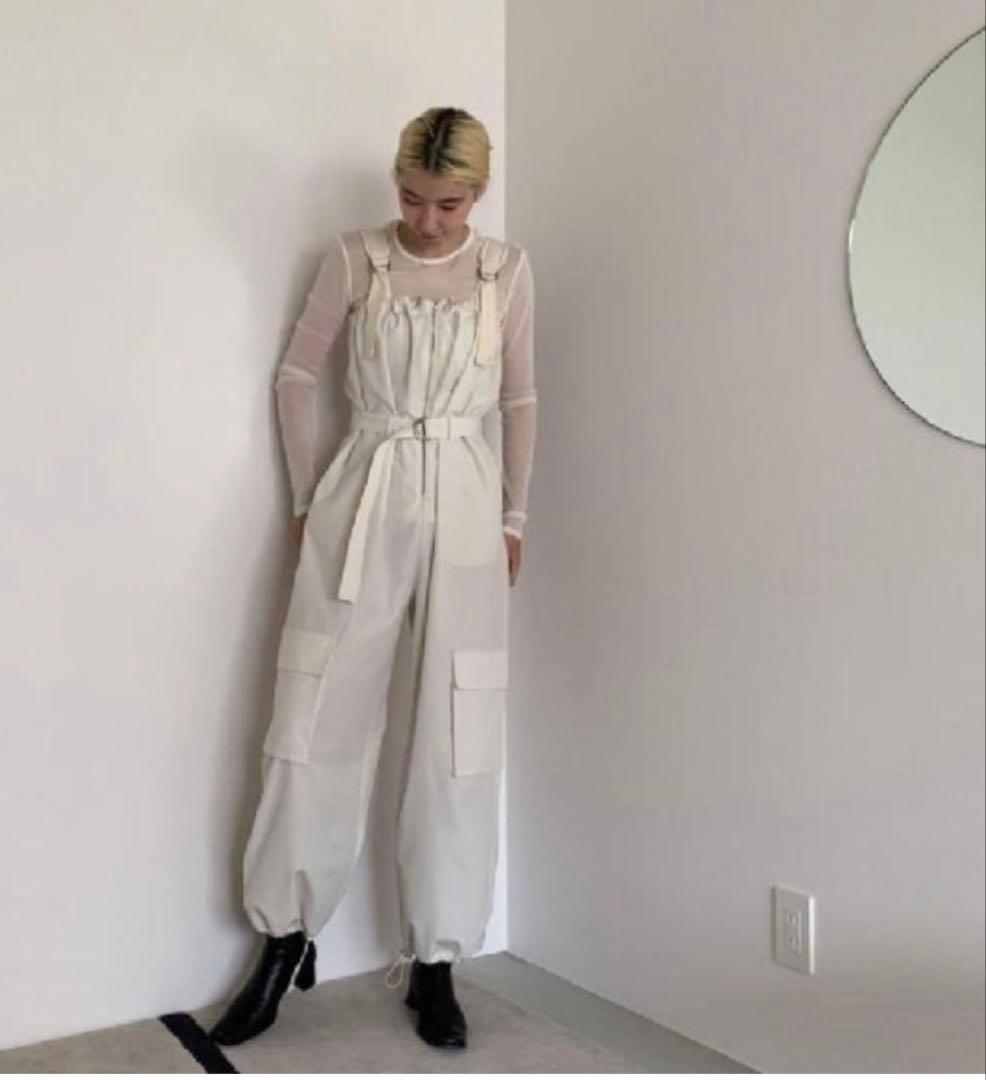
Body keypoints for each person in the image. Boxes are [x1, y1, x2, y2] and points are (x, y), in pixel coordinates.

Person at [209, 106, 537, 1052]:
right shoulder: (356, 258)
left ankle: (436, 962)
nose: (427, 221)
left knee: (458, 730)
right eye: (412, 198)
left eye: (448, 204)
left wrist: (514, 517)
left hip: (466, 502)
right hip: (365, 492)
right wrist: (307, 498)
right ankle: (284, 940)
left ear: (478, 193)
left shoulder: (507, 271)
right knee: (315, 717)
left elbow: (520, 396)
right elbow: (295, 375)